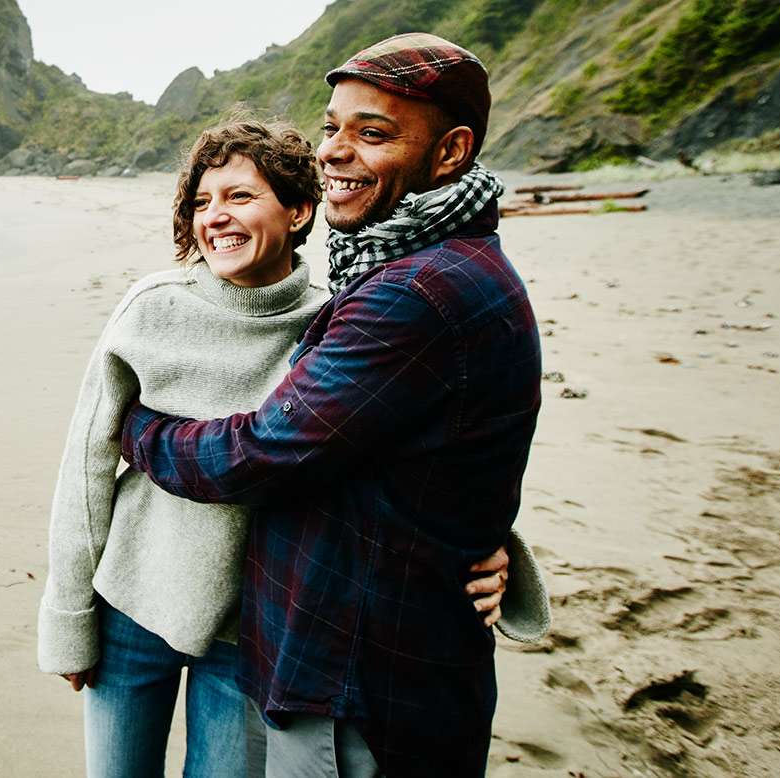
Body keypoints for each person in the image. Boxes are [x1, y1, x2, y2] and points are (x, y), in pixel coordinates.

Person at [39, 113, 546, 778]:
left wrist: (493, 544)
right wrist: (68, 618)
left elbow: (403, 455)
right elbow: (85, 469)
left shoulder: (338, 317)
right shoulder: (153, 309)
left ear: (301, 208)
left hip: (255, 632)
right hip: (131, 605)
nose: (215, 217)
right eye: (201, 202)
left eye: (241, 196)